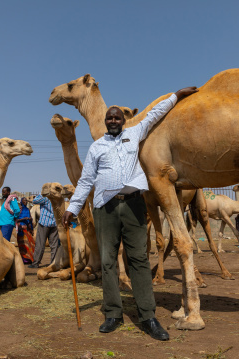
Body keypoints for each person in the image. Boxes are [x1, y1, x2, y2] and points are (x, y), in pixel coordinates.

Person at [62, 86, 198, 341]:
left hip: (134, 205)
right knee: (108, 261)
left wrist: (176, 97)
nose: (113, 120)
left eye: (117, 118)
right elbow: (86, 180)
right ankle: (112, 314)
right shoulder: (97, 147)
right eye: (109, 118)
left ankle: (148, 316)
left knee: (139, 260)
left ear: (123, 121)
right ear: (105, 122)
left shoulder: (134, 133)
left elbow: (154, 114)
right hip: (105, 207)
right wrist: (73, 208)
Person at [28, 193, 60, 268]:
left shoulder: (45, 198)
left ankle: (36, 263)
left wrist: (40, 194)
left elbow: (34, 201)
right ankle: (53, 263)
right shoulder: (57, 198)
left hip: (44, 223)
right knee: (54, 245)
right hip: (54, 223)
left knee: (40, 244)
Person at [17, 197, 36, 264]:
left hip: (27, 229)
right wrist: (24, 219)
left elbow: (30, 219)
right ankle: (24, 259)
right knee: (23, 244)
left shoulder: (28, 209)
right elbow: (16, 220)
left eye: (26, 200)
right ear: (21, 202)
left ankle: (29, 259)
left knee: (31, 244)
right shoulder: (19, 210)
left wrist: (30, 220)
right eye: (24, 200)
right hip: (21, 229)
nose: (26, 201)